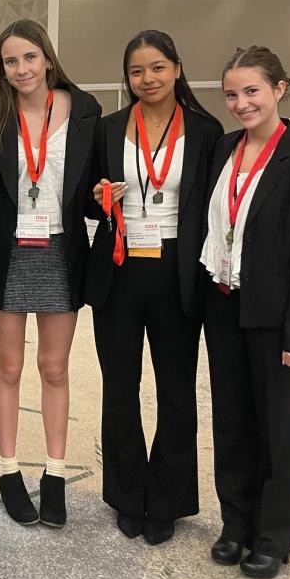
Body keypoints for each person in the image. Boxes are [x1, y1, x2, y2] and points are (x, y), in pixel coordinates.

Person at [201, 46, 290, 579]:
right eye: (231, 94)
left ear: (280, 88)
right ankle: (236, 523)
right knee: (231, 421)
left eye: (252, 91)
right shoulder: (223, 149)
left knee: (276, 428)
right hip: (223, 303)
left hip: (275, 317)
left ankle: (274, 536)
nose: (241, 103)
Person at [86, 30, 222, 546]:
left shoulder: (206, 131)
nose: (148, 79)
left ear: (177, 69)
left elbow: (213, 205)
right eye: (137, 70)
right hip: (119, 268)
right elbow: (88, 197)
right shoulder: (108, 128)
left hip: (177, 270)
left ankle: (167, 499)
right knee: (120, 386)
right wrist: (100, 194)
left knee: (176, 388)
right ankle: (127, 494)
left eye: (158, 67)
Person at [0, 20, 101, 529]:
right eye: (10, 61)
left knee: (54, 368)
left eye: (29, 57)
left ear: (48, 58)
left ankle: (55, 472)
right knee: (8, 367)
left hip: (60, 250)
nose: (21, 68)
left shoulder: (85, 110)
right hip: (8, 252)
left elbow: (93, 185)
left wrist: (104, 196)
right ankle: (9, 470)